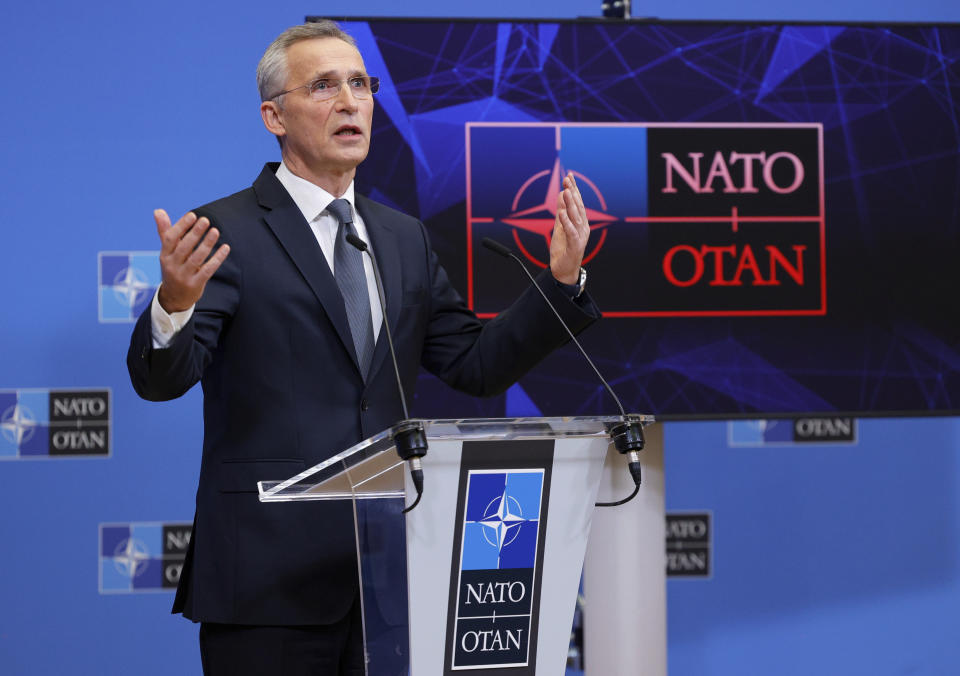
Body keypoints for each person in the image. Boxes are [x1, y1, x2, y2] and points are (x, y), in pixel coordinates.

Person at [127, 20, 598, 676]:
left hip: (393, 578)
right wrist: (175, 301)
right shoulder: (225, 232)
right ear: (274, 116)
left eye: (360, 84)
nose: (350, 102)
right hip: (269, 586)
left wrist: (560, 284)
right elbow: (161, 377)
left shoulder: (403, 238)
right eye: (323, 86)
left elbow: (475, 365)